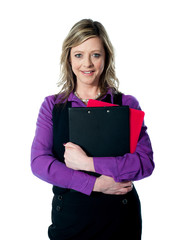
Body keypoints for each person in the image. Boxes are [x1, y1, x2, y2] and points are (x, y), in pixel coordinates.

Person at [31, 19, 154, 240]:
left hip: (120, 221)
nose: (87, 64)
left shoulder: (126, 104)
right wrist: (95, 184)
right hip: (70, 223)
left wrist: (88, 163)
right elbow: (39, 163)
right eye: (79, 55)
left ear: (106, 58)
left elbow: (144, 163)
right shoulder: (53, 106)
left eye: (95, 55)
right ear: (68, 58)